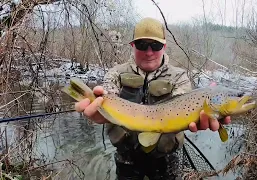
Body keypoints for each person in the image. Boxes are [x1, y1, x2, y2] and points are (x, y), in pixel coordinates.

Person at [75, 17, 231, 180]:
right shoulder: (115, 73)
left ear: (164, 46)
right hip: (126, 158)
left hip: (166, 159)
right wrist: (99, 108)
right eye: (142, 45)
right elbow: (108, 94)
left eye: (155, 45)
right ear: (132, 46)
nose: (149, 52)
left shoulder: (179, 77)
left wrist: (204, 115)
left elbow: (185, 106)